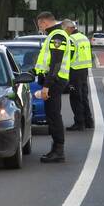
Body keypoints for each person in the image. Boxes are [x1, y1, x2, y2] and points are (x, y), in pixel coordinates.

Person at [33, 12, 72, 163]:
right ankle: (56, 149)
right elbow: (46, 62)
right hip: (54, 80)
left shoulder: (58, 36)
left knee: (54, 115)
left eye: (40, 25)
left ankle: (58, 151)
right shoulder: (54, 35)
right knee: (52, 115)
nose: (40, 28)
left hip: (55, 80)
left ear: (44, 22)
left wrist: (46, 86)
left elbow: (56, 63)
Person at [63, 20, 94, 131]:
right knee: (84, 96)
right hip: (84, 70)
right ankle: (88, 121)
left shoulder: (71, 39)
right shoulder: (84, 37)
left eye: (64, 29)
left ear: (69, 28)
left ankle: (79, 123)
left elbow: (69, 56)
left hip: (74, 70)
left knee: (75, 97)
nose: (64, 31)